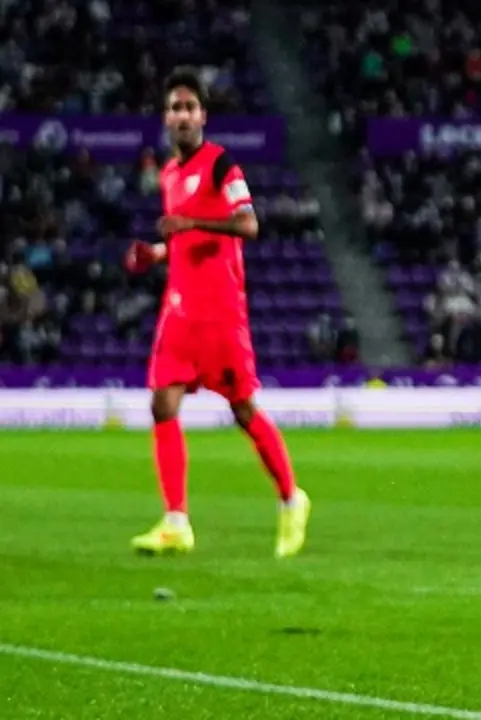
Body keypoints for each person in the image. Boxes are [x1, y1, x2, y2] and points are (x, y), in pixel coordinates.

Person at [124, 68, 312, 558]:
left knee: (243, 411)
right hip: (180, 311)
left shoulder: (220, 166)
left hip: (222, 313)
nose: (182, 115)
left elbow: (249, 224)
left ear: (203, 115)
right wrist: (156, 254)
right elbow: (184, 242)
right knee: (161, 404)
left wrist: (191, 220)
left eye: (189, 107)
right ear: (165, 119)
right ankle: (176, 521)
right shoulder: (169, 174)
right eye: (174, 108)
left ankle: (292, 499)